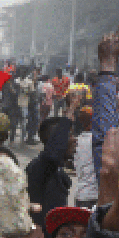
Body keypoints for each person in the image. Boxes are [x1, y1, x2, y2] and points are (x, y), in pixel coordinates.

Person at [25, 90, 81, 227]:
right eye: (69, 136)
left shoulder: (57, 169)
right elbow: (54, 153)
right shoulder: (39, 167)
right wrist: (70, 110)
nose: (75, 140)